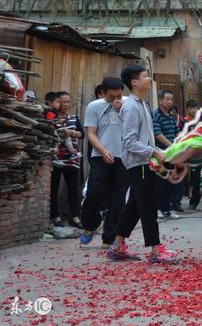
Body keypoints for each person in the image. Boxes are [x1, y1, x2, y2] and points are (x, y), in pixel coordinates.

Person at [107, 64, 176, 263]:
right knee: (147, 207)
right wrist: (154, 151)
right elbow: (129, 142)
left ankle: (117, 246)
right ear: (134, 82)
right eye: (145, 76)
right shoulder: (131, 106)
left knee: (135, 206)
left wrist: (156, 152)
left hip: (145, 161)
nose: (149, 79)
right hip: (138, 163)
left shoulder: (140, 104)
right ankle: (156, 249)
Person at [80, 77, 128, 248]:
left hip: (123, 157)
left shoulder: (129, 105)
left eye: (119, 96)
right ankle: (90, 225)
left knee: (118, 198)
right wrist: (103, 150)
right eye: (111, 96)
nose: (116, 100)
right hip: (100, 156)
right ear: (103, 93)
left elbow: (136, 127)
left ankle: (109, 237)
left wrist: (123, 110)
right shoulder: (94, 106)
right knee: (93, 193)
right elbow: (91, 133)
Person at [50, 91, 84, 228]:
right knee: (54, 189)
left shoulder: (74, 118)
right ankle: (55, 216)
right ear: (57, 103)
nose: (66, 104)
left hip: (72, 159)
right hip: (56, 159)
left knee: (73, 189)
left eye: (68, 102)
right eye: (63, 102)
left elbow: (82, 134)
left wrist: (72, 133)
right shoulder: (50, 118)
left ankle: (75, 217)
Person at [152, 90, 181, 218]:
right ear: (160, 100)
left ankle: (167, 209)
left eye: (171, 99)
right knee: (159, 182)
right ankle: (157, 209)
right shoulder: (155, 115)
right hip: (159, 154)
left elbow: (177, 132)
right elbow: (158, 135)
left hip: (171, 155)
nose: (170, 102)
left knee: (169, 181)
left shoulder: (171, 116)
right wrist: (172, 146)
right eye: (167, 99)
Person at [184, 100, 202, 211]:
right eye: (191, 108)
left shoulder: (200, 121)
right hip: (187, 152)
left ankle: (194, 202)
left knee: (197, 178)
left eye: (195, 108)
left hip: (199, 153)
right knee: (188, 177)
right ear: (187, 109)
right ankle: (189, 200)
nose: (193, 110)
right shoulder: (185, 122)